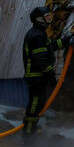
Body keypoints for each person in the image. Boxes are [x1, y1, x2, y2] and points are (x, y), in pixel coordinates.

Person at [22, 7, 63, 138]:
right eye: (47, 16)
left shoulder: (39, 34)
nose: (50, 19)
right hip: (36, 76)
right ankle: (29, 132)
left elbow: (50, 46)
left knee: (38, 103)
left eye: (49, 16)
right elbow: (40, 60)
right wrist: (50, 75)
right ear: (39, 19)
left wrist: (66, 41)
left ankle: (32, 128)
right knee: (35, 103)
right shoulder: (37, 35)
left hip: (37, 75)